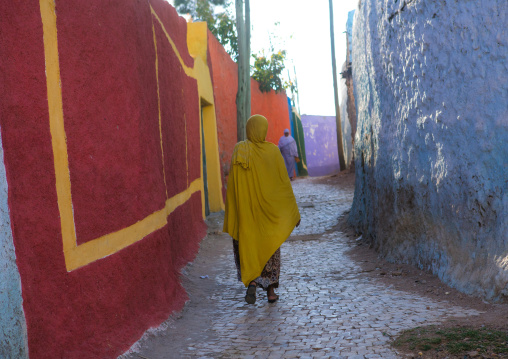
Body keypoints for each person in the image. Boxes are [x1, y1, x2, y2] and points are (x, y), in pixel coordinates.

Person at [223, 115, 301, 304]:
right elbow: (283, 185)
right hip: (268, 218)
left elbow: (232, 185)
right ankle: (271, 293)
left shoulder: (240, 151)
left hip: (247, 217)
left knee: (249, 250)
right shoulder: (273, 152)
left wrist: (235, 212)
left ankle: (252, 284)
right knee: (270, 251)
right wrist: (293, 213)